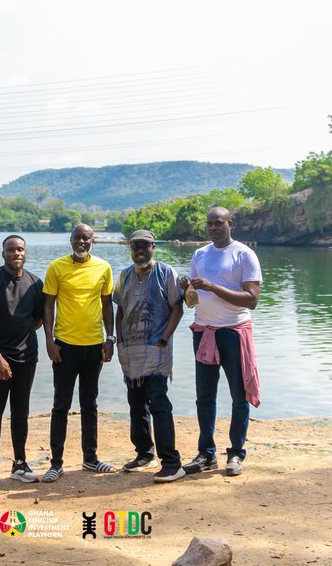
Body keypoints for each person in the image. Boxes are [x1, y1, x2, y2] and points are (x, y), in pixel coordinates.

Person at [179, 206, 262, 478]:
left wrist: (213, 287)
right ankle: (206, 454)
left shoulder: (244, 254)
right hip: (204, 332)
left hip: (233, 332)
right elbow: (193, 300)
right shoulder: (199, 254)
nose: (213, 227)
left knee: (239, 396)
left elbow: (252, 299)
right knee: (205, 397)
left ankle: (236, 452)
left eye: (219, 223)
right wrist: (187, 290)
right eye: (210, 224)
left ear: (230, 223)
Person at [39, 223, 116, 482]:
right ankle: (56, 463)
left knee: (89, 403)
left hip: (94, 345)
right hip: (65, 346)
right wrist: (49, 342)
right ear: (70, 241)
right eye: (77, 239)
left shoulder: (103, 268)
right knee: (61, 405)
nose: (81, 243)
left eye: (86, 239)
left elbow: (107, 305)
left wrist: (110, 338)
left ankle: (90, 459)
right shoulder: (57, 267)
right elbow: (48, 306)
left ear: (93, 241)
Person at [0, 235, 45, 490]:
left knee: (21, 413)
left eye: (21, 249)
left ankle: (20, 464)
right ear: (3, 253)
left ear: (25, 253)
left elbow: (37, 320)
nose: (17, 253)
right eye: (11, 249)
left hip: (27, 358)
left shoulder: (35, 283)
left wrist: (21, 339)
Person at [113, 229, 185, 482]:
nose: (140, 251)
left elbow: (178, 307)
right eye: (135, 247)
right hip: (131, 352)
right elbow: (120, 309)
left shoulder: (166, 273)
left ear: (154, 247)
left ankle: (172, 462)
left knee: (159, 403)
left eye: (145, 246)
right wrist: (119, 340)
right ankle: (144, 453)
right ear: (130, 249)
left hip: (157, 350)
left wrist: (164, 338)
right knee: (136, 403)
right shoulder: (124, 275)